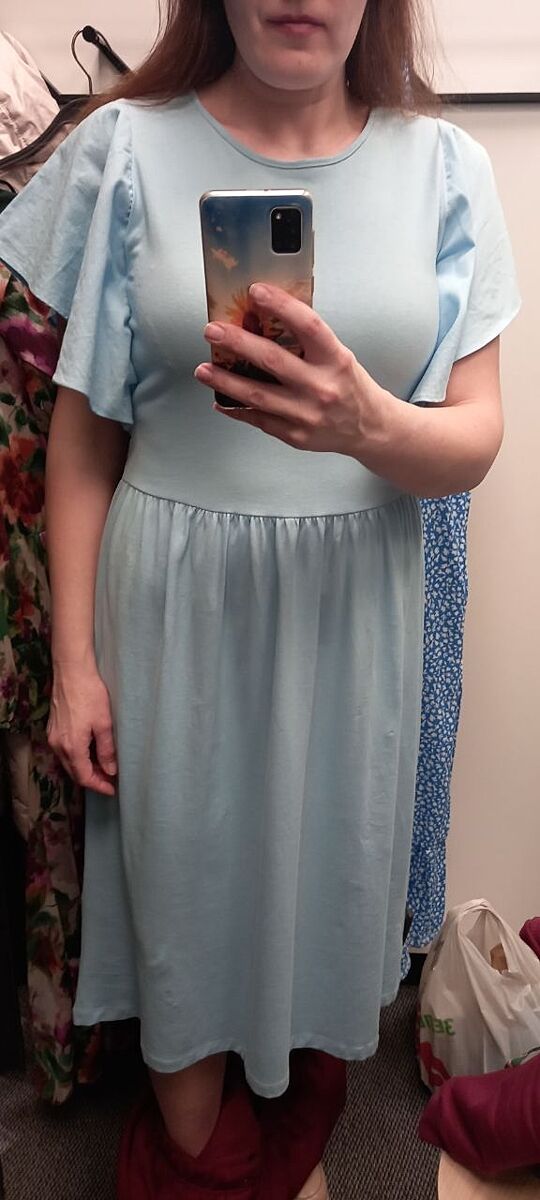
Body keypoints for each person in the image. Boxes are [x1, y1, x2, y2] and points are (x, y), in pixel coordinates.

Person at [0, 1, 521, 1196]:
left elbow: (477, 440)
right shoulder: (125, 147)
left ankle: (295, 1097)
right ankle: (200, 1148)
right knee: (179, 879)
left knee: (330, 864)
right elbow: (81, 434)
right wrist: (75, 667)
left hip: (356, 609)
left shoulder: (446, 169)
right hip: (171, 602)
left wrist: (363, 422)